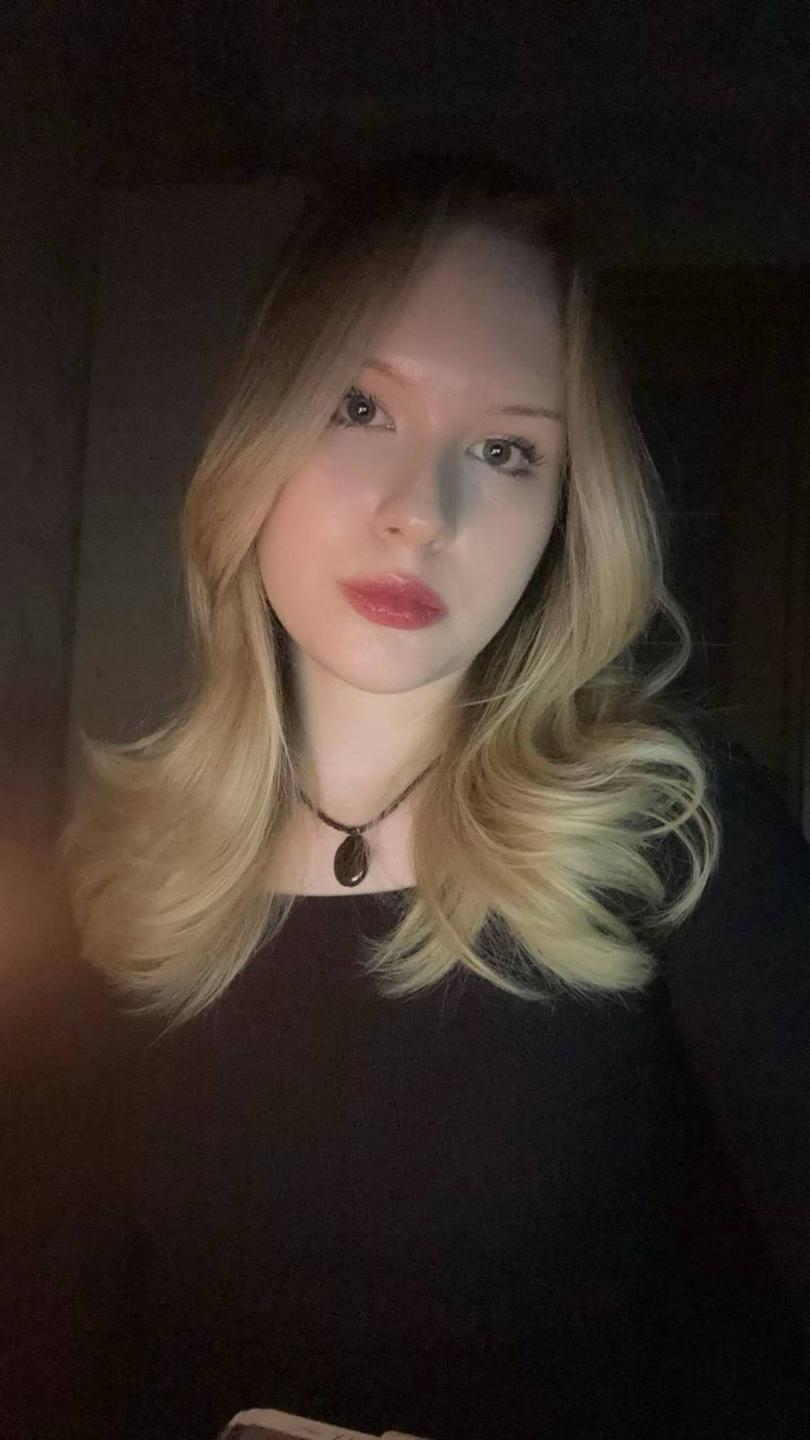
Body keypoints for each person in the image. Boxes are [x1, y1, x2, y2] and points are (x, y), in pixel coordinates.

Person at [3, 151, 809, 1440]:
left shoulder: (683, 840)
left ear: (564, 513)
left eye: (505, 448)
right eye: (360, 407)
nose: (421, 512)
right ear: (257, 436)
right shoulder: (117, 870)